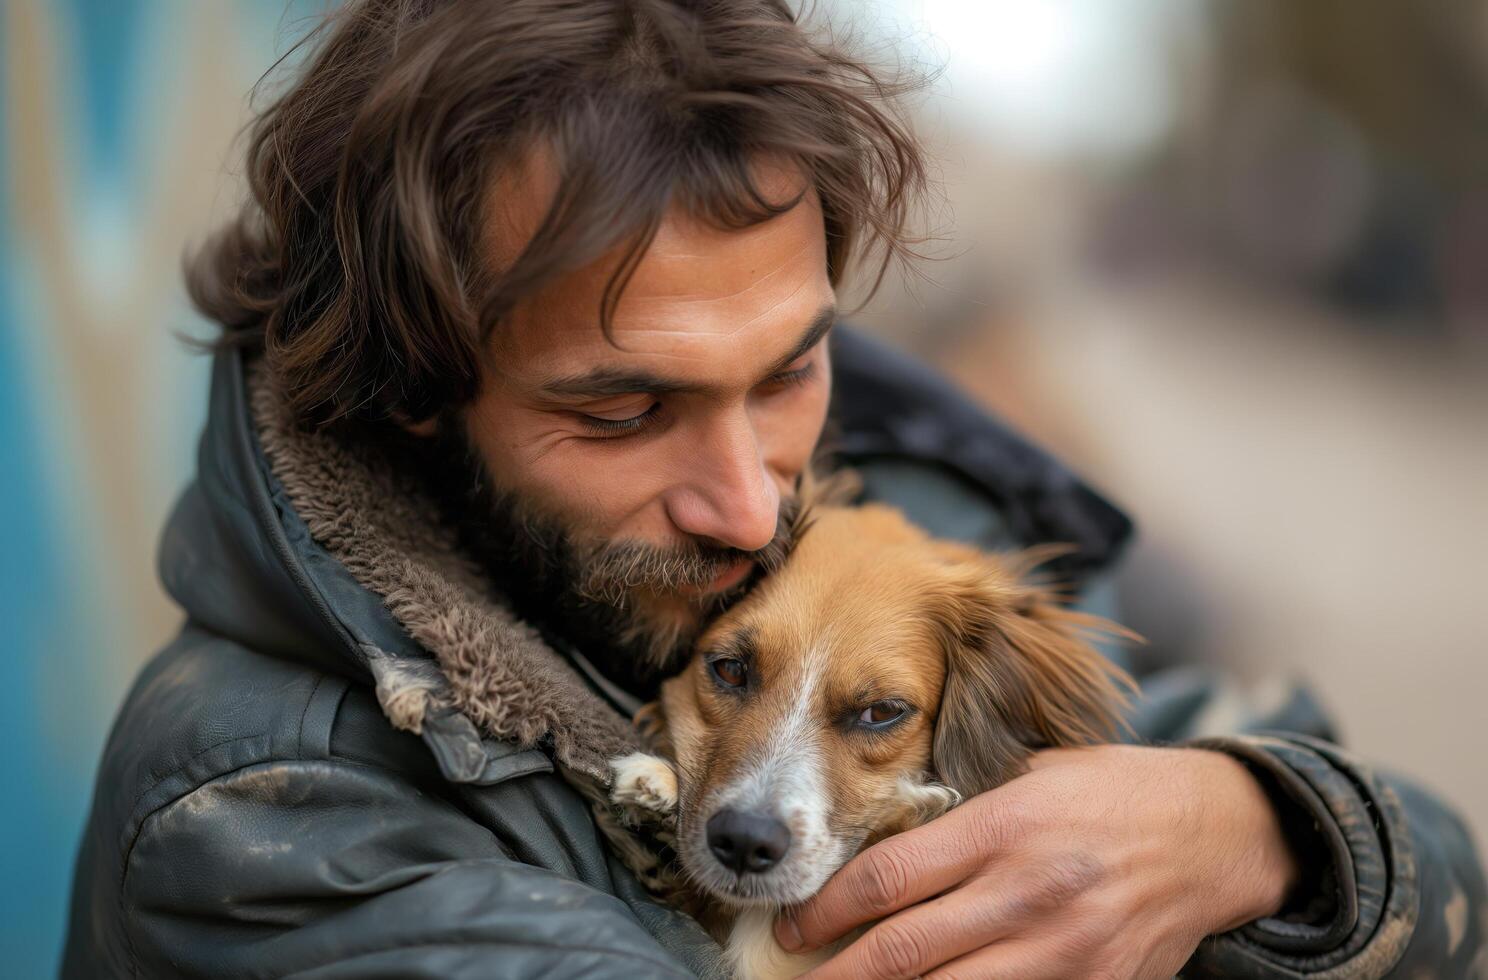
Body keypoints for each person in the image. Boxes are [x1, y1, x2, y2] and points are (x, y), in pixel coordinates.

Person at [62, 1, 1484, 977]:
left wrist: (1252, 826)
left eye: (794, 370)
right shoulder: (262, 820)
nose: (750, 507)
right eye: (625, 408)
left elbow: (1439, 862)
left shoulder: (912, 541)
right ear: (410, 390)